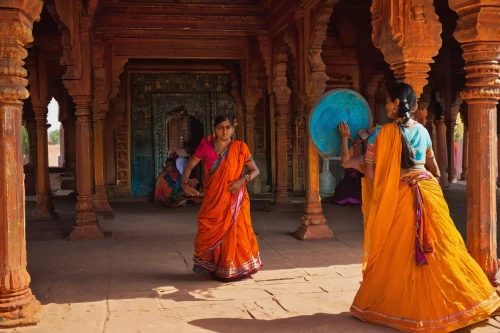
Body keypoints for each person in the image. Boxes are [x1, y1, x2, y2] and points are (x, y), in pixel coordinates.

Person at [350, 82, 500, 332]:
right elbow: (433, 165)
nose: (386, 105)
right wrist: (433, 180)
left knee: (398, 248)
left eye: (388, 101)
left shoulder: (383, 133)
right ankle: (466, 299)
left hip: (401, 192)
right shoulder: (422, 130)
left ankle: (400, 305)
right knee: (443, 246)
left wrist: (380, 194)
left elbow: (373, 172)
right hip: (427, 189)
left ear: (397, 103)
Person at [181, 115, 262, 281]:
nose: (224, 131)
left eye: (227, 127)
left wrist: (242, 180)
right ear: (214, 130)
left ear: (233, 129)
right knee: (209, 228)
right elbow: (189, 166)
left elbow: (255, 170)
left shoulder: (240, 147)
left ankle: (233, 267)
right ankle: (214, 265)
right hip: (213, 198)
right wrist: (184, 183)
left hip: (236, 197)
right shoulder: (205, 148)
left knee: (235, 231)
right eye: (220, 127)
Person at [332, 124, 376, 205]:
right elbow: (346, 163)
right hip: (355, 195)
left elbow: (345, 163)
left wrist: (345, 137)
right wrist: (346, 138)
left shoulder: (367, 157)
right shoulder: (364, 158)